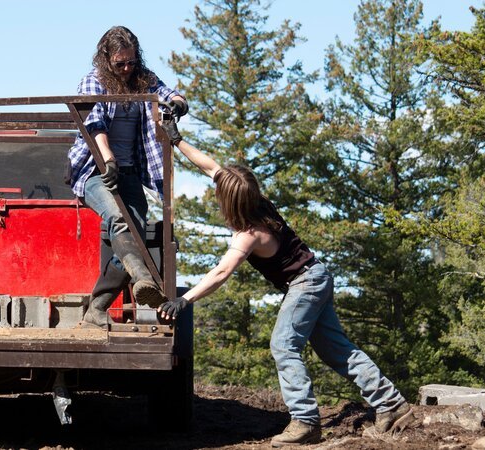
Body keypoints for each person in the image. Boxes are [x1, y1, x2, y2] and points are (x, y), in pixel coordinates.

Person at [157, 120, 415, 447]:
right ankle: (392, 405)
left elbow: (220, 273)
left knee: (283, 345)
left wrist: (184, 300)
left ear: (230, 201)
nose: (215, 189)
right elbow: (209, 165)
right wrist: (177, 140)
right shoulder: (257, 201)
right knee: (336, 349)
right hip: (317, 275)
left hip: (306, 283)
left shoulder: (249, 235)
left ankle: (306, 421)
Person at [68, 26, 188, 329]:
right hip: (96, 171)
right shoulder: (92, 81)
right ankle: (143, 278)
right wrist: (108, 159)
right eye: (119, 63)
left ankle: (96, 309)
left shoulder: (142, 80)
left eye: (130, 62)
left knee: (132, 239)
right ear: (106, 59)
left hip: (131, 173)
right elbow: (94, 124)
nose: (125, 69)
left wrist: (178, 103)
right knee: (118, 220)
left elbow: (170, 94)